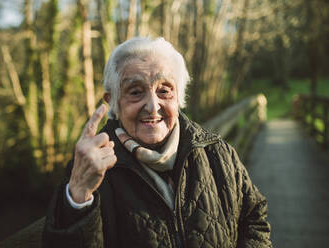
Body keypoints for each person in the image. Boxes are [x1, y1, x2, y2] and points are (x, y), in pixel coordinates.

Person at [42, 37, 272, 248]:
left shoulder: (216, 151)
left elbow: (254, 217)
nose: (153, 106)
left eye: (164, 90)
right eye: (135, 92)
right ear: (112, 102)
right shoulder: (90, 168)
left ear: (179, 97)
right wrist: (79, 195)